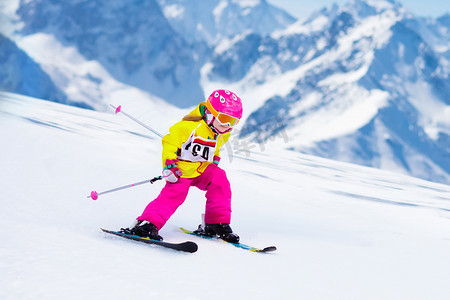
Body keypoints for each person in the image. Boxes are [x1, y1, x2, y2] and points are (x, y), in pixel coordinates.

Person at [123, 89, 243, 243]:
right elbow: (169, 143)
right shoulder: (188, 127)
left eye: (233, 121)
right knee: (175, 194)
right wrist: (169, 166)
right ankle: (148, 224)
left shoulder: (222, 132)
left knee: (220, 179)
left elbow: (215, 147)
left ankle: (215, 223)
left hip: (201, 169)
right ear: (211, 113)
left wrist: (215, 160)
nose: (228, 126)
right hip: (182, 171)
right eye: (225, 119)